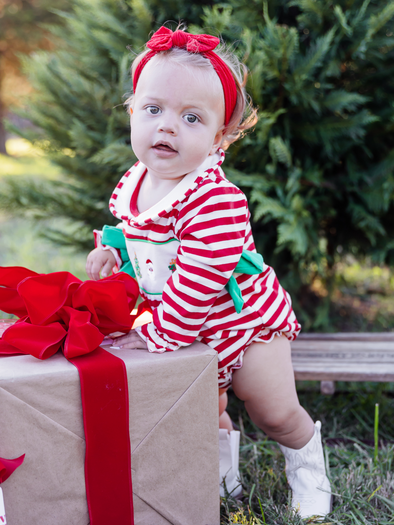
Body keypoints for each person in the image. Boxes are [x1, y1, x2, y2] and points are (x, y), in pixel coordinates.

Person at [86, 25, 331, 519]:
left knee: (272, 410)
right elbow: (132, 229)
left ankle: (307, 466)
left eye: (191, 117)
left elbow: (200, 278)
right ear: (133, 111)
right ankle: (222, 477)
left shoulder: (216, 200)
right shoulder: (138, 180)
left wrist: (157, 334)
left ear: (220, 136)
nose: (167, 127)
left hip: (241, 323)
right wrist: (109, 248)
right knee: (204, 410)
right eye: (153, 110)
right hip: (185, 324)